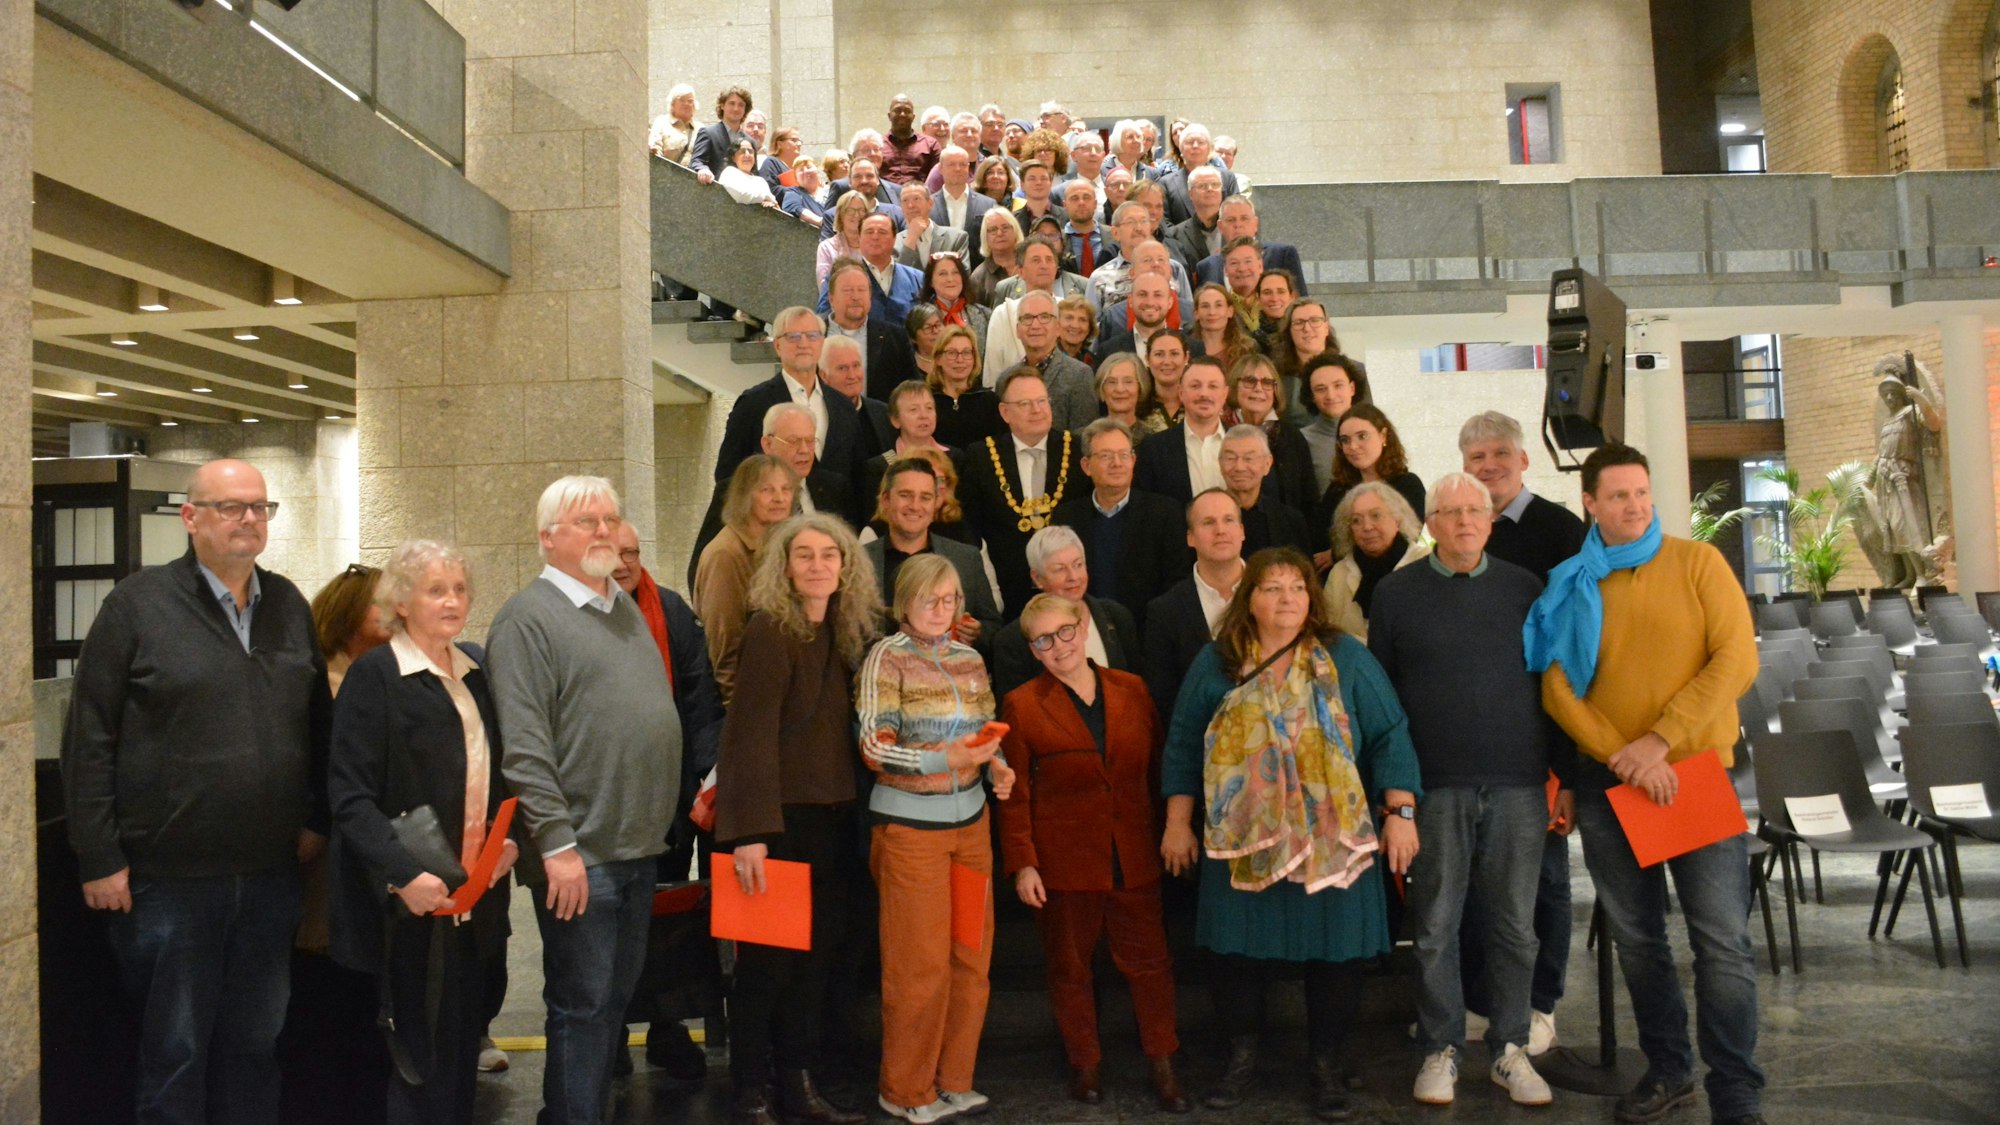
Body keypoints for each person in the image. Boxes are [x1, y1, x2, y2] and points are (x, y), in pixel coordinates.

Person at [63, 458, 331, 1125]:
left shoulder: (288, 605)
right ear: (190, 517)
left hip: (269, 875)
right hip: (168, 881)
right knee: (174, 1054)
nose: (249, 519)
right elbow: (89, 735)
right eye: (230, 507)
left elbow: (317, 726)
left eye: (260, 507)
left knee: (256, 1048)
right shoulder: (136, 606)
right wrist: (98, 854)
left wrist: (317, 819)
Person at [1525, 443, 1764, 1125]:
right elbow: (1557, 688)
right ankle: (1669, 1070)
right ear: (1590, 504)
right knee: (1638, 940)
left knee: (1721, 941)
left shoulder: (1698, 563)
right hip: (1611, 785)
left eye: (1641, 492)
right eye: (1618, 495)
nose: (1633, 505)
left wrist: (1659, 740)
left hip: (1693, 775)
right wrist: (1624, 756)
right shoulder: (1569, 582)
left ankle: (1736, 1092)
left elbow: (1736, 660)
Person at [1160, 547, 1420, 1122]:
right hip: (1243, 840)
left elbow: (1390, 733)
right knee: (1235, 954)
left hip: (1334, 839)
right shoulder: (1218, 662)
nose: (1287, 599)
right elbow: (1182, 742)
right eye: (1272, 588)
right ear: (1248, 599)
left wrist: (1400, 813)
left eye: (1298, 588)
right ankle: (1241, 1061)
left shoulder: (1346, 657)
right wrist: (1177, 822)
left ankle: (1326, 1066)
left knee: (1337, 953)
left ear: (1313, 597)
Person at [486, 479, 683, 1125]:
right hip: (580, 854)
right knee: (583, 1006)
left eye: (610, 518)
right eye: (585, 520)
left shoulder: (621, 606)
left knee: (611, 1005)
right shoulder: (527, 618)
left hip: (636, 846)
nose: (604, 530)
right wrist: (558, 845)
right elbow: (524, 747)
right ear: (548, 538)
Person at [1366, 475, 1566, 1108]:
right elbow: (1383, 706)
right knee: (1434, 927)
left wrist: (1562, 777)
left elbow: (1553, 684)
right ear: (1430, 524)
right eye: (1449, 512)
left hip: (1518, 783)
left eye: (1474, 510)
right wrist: (1396, 798)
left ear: (1489, 519)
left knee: (1515, 928)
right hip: (1434, 787)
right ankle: (1440, 1048)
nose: (1463, 522)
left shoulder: (1525, 588)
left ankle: (1510, 1049)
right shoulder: (1395, 594)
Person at [327, 539, 520, 1125]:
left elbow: (491, 774)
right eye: (436, 590)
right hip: (408, 903)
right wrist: (403, 874)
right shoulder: (376, 675)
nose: (452, 601)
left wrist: (505, 841)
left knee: (460, 1053)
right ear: (401, 602)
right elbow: (350, 795)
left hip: (473, 898)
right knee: (416, 1059)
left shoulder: (474, 671)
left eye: (459, 589)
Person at [715, 514, 883, 1125]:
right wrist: (750, 835)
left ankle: (798, 1083)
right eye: (804, 555)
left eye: (829, 555)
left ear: (846, 566)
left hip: (832, 820)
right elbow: (748, 735)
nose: (817, 565)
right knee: (767, 967)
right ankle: (749, 1091)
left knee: (814, 964)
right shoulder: (770, 629)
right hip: (778, 823)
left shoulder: (843, 629)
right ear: (784, 567)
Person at [995, 593, 1187, 1113]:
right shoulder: (1021, 704)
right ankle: (1085, 1065)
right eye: (1043, 640)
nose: (1058, 646)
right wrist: (1023, 862)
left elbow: (1159, 768)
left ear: (1082, 629)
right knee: (1070, 967)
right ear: (1032, 650)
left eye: (1064, 632)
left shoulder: (1132, 689)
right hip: (1063, 861)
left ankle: (1163, 1065)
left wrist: (1174, 827)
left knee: (1151, 965)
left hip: (1134, 853)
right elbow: (1015, 793)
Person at [857, 555, 1014, 1124]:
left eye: (950, 600)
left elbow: (984, 733)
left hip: (970, 826)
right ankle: (904, 1089)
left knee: (970, 960)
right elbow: (874, 748)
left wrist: (997, 765)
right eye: (930, 600)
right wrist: (940, 759)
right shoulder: (887, 656)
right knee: (918, 967)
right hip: (910, 831)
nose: (941, 610)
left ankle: (953, 1081)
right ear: (904, 603)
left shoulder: (970, 658)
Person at [1457, 410, 1586, 1053]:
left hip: (1545, 728)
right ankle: (1482, 1001)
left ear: (1524, 458)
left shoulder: (1561, 530)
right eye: (1476, 457)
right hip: (1481, 734)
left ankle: (1540, 1003)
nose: (1489, 466)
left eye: (1499, 453)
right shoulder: (1463, 531)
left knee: (1546, 879)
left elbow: (1577, 634)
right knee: (1481, 881)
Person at [607, 522, 728, 1081]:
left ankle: (666, 1027)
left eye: (633, 551)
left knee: (670, 919)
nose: (625, 563)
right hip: (609, 801)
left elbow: (701, 697)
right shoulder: (580, 617)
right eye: (614, 553)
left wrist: (705, 779)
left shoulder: (672, 611)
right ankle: (610, 1035)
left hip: (669, 797)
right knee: (612, 925)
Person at [285, 562, 398, 1118]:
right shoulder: (318, 685)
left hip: (376, 862)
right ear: (350, 614)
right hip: (324, 866)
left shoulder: (387, 674)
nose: (397, 613)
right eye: (384, 604)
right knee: (326, 994)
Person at [957, 367, 1084, 616]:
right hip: (1006, 590)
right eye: (1025, 403)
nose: (1037, 410)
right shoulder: (981, 456)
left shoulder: (1076, 451)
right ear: (1005, 412)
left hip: (1068, 588)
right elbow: (969, 526)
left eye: (1042, 401)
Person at [1053, 417, 1190, 629]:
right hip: (1083, 631)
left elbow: (1176, 582)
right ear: (1086, 466)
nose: (1117, 463)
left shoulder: (1165, 513)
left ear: (1133, 461)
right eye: (1106, 456)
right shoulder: (1066, 518)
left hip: (1148, 629)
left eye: (1124, 455)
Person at [861, 457, 1001, 651]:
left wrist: (978, 632)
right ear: (885, 499)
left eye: (925, 497)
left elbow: (992, 626)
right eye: (905, 495)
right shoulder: (858, 561)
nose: (915, 505)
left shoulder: (966, 558)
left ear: (936, 502)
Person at [989, 525, 1140, 700]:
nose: (1073, 577)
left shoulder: (1117, 616)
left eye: (1078, 565)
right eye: (1060, 569)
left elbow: (1136, 689)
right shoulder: (1012, 641)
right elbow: (1015, 708)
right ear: (1037, 578)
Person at [1142, 489, 1247, 725]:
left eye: (1228, 520)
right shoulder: (1165, 611)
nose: (1220, 530)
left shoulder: (1272, 594)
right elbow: (1164, 700)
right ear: (1190, 538)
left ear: (1242, 531)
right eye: (1208, 522)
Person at [1313, 403, 1426, 568]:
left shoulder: (1408, 485)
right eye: (1345, 440)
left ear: (1383, 436)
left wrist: (1337, 554)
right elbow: (1321, 539)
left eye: (1362, 436)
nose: (1353, 446)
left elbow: (1406, 537)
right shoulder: (1337, 489)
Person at [1323, 482, 1429, 642]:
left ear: (1397, 520)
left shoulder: (1425, 563)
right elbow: (1327, 633)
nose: (1367, 527)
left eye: (1376, 516)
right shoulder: (1340, 573)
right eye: (1356, 520)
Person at [993, 289, 1097, 434]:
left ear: (1058, 328)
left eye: (1044, 317)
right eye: (1027, 318)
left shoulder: (1080, 375)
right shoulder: (1005, 379)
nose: (1035, 325)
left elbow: (1085, 435)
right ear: (1018, 330)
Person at [1224, 353, 1317, 512]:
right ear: (1234, 387)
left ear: (1275, 391)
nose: (1258, 388)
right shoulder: (1222, 432)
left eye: (1267, 382)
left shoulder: (1291, 436)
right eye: (1249, 381)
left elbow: (1308, 498)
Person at [1134, 354, 1230, 503]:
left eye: (1213, 386)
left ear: (1225, 394)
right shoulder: (1153, 449)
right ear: (1181, 393)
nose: (1204, 394)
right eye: (1195, 386)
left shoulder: (1246, 444)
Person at [985, 237, 1090, 373]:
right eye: (1036, 260)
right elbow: (992, 371)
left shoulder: (1068, 312)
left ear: (1056, 268)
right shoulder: (1003, 314)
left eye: (1049, 260)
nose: (1044, 266)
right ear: (1020, 271)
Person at [821, 258, 919, 403]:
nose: (855, 297)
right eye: (847, 290)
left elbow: (912, 390)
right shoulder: (814, 338)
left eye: (861, 290)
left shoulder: (895, 338)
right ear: (831, 298)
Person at [1220, 424, 1314, 558]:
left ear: (1267, 464)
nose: (1239, 467)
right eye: (1230, 458)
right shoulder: (1204, 516)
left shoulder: (1291, 521)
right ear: (1220, 463)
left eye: (1249, 459)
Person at [818, 213, 923, 329]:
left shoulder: (917, 278)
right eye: (869, 232)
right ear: (859, 238)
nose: (875, 237)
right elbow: (823, 319)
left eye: (882, 232)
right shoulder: (838, 277)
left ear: (894, 239)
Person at [1193, 196, 1307, 296]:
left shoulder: (1282, 255)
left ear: (1255, 223)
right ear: (1220, 226)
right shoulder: (1206, 267)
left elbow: (1300, 302)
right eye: (1231, 220)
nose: (1238, 225)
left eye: (1244, 219)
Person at [1299, 355, 1372, 494]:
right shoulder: (1300, 440)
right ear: (1311, 396)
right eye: (1320, 389)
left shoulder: (1375, 433)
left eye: (1338, 385)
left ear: (1352, 388)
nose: (1331, 396)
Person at [926, 324, 1002, 449]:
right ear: (938, 358)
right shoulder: (926, 400)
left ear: (974, 358)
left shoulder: (990, 401)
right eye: (952, 353)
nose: (960, 360)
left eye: (966, 353)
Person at [928, 145, 997, 267]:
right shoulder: (928, 205)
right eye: (951, 164)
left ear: (968, 168)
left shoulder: (988, 204)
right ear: (940, 168)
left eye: (963, 164)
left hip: (978, 273)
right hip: (938, 273)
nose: (958, 169)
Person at [918, 253, 989, 351]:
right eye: (942, 274)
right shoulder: (919, 318)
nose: (950, 279)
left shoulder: (985, 315)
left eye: (955, 272)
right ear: (931, 281)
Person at [1164, 165, 1226, 274]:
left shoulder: (1236, 228)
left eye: (1215, 185)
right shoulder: (1174, 235)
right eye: (1202, 186)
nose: (1210, 189)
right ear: (1190, 194)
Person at [1271, 298, 1339, 396]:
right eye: (1299, 322)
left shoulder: (1351, 371)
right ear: (1289, 332)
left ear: (1326, 328)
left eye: (1315, 320)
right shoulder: (1274, 376)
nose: (1307, 328)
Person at [894, 183, 969, 266]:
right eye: (905, 200)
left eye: (916, 199)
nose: (910, 205)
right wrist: (911, 240)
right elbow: (896, 273)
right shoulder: (894, 242)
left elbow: (963, 272)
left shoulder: (956, 238)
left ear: (930, 203)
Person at [691, 84, 753, 184]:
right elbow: (697, 161)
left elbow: (754, 172)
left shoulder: (750, 141)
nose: (736, 108)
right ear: (722, 105)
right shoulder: (708, 133)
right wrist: (703, 169)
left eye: (741, 105)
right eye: (732, 103)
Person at [1190, 282, 1253, 372]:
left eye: (1218, 305)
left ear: (1230, 311)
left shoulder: (1247, 349)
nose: (1212, 312)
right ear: (1196, 314)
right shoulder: (1185, 347)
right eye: (1205, 306)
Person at [816, 191, 873, 288]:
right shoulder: (827, 247)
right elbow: (824, 286)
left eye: (861, 210)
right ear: (841, 215)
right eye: (850, 210)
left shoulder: (875, 245)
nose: (857, 215)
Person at [880, 93, 941, 185]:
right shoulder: (877, 145)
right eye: (897, 110)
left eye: (907, 111)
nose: (902, 114)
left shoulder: (931, 145)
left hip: (920, 193)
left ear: (913, 117)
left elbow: (938, 177)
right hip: (885, 193)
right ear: (889, 116)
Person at [967, 208, 1023, 306]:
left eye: (1005, 227)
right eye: (993, 230)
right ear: (985, 236)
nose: (1000, 233)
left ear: (1015, 230)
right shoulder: (978, 278)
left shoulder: (1030, 263)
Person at [1088, 352, 1152, 436]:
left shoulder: (1153, 439)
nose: (1119, 389)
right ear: (1101, 389)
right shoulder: (1086, 437)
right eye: (1112, 382)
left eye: (1128, 381)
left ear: (1140, 387)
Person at [1139, 329, 1189, 433]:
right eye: (1159, 354)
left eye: (1174, 354)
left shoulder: (1197, 403)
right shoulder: (1136, 405)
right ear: (1147, 359)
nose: (1167, 361)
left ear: (1186, 358)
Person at [1058, 177, 1105, 277]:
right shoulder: (1056, 240)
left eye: (1086, 197)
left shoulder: (1114, 237)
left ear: (1095, 204)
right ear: (1065, 205)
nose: (1081, 203)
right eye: (1074, 198)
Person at [719, 138, 781, 208]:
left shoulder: (761, 181)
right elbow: (741, 195)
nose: (747, 154)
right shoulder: (729, 172)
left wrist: (772, 205)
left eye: (750, 151)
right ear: (733, 157)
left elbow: (773, 203)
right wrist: (765, 197)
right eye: (742, 151)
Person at [649, 83, 698, 166]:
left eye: (690, 101)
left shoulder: (700, 129)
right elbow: (656, 150)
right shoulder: (661, 122)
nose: (686, 104)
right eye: (682, 100)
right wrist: (653, 151)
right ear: (672, 103)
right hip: (666, 173)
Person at [1055, 294, 1099, 367]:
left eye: (1082, 320)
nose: (1075, 325)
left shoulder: (1094, 362)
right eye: (1069, 318)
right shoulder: (1043, 357)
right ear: (1056, 323)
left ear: (1089, 328)